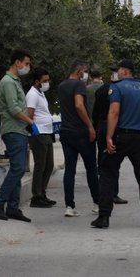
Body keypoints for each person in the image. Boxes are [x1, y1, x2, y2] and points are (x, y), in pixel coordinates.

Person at [92, 59, 140, 229]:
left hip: (121, 136)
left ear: (124, 71)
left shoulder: (117, 88)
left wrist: (109, 137)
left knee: (108, 174)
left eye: (118, 70)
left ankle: (104, 216)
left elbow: (114, 112)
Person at [0, 50, 33, 223]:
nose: (27, 67)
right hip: (13, 129)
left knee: (18, 170)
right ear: (17, 62)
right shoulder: (8, 82)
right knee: (17, 169)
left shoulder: (15, 81)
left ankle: (13, 208)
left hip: (19, 130)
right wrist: (30, 122)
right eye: (26, 63)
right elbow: (14, 109)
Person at [57, 60, 99, 218]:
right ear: (79, 70)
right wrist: (89, 126)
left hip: (66, 131)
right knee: (91, 169)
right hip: (81, 132)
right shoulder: (79, 86)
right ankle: (97, 203)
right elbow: (79, 105)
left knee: (70, 170)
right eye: (85, 71)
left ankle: (69, 205)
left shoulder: (61, 86)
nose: (86, 74)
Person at [91, 69, 127, 205]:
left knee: (102, 158)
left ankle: (102, 191)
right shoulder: (120, 90)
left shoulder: (100, 90)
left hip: (101, 126)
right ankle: (113, 193)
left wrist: (94, 128)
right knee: (114, 161)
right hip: (115, 126)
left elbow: (95, 112)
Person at [26, 67, 57, 208]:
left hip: (47, 132)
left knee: (49, 165)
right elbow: (29, 114)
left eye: (48, 80)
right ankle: (36, 196)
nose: (47, 83)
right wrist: (33, 130)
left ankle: (42, 193)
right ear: (37, 81)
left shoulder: (40, 93)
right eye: (44, 81)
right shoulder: (32, 94)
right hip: (38, 133)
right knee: (40, 165)